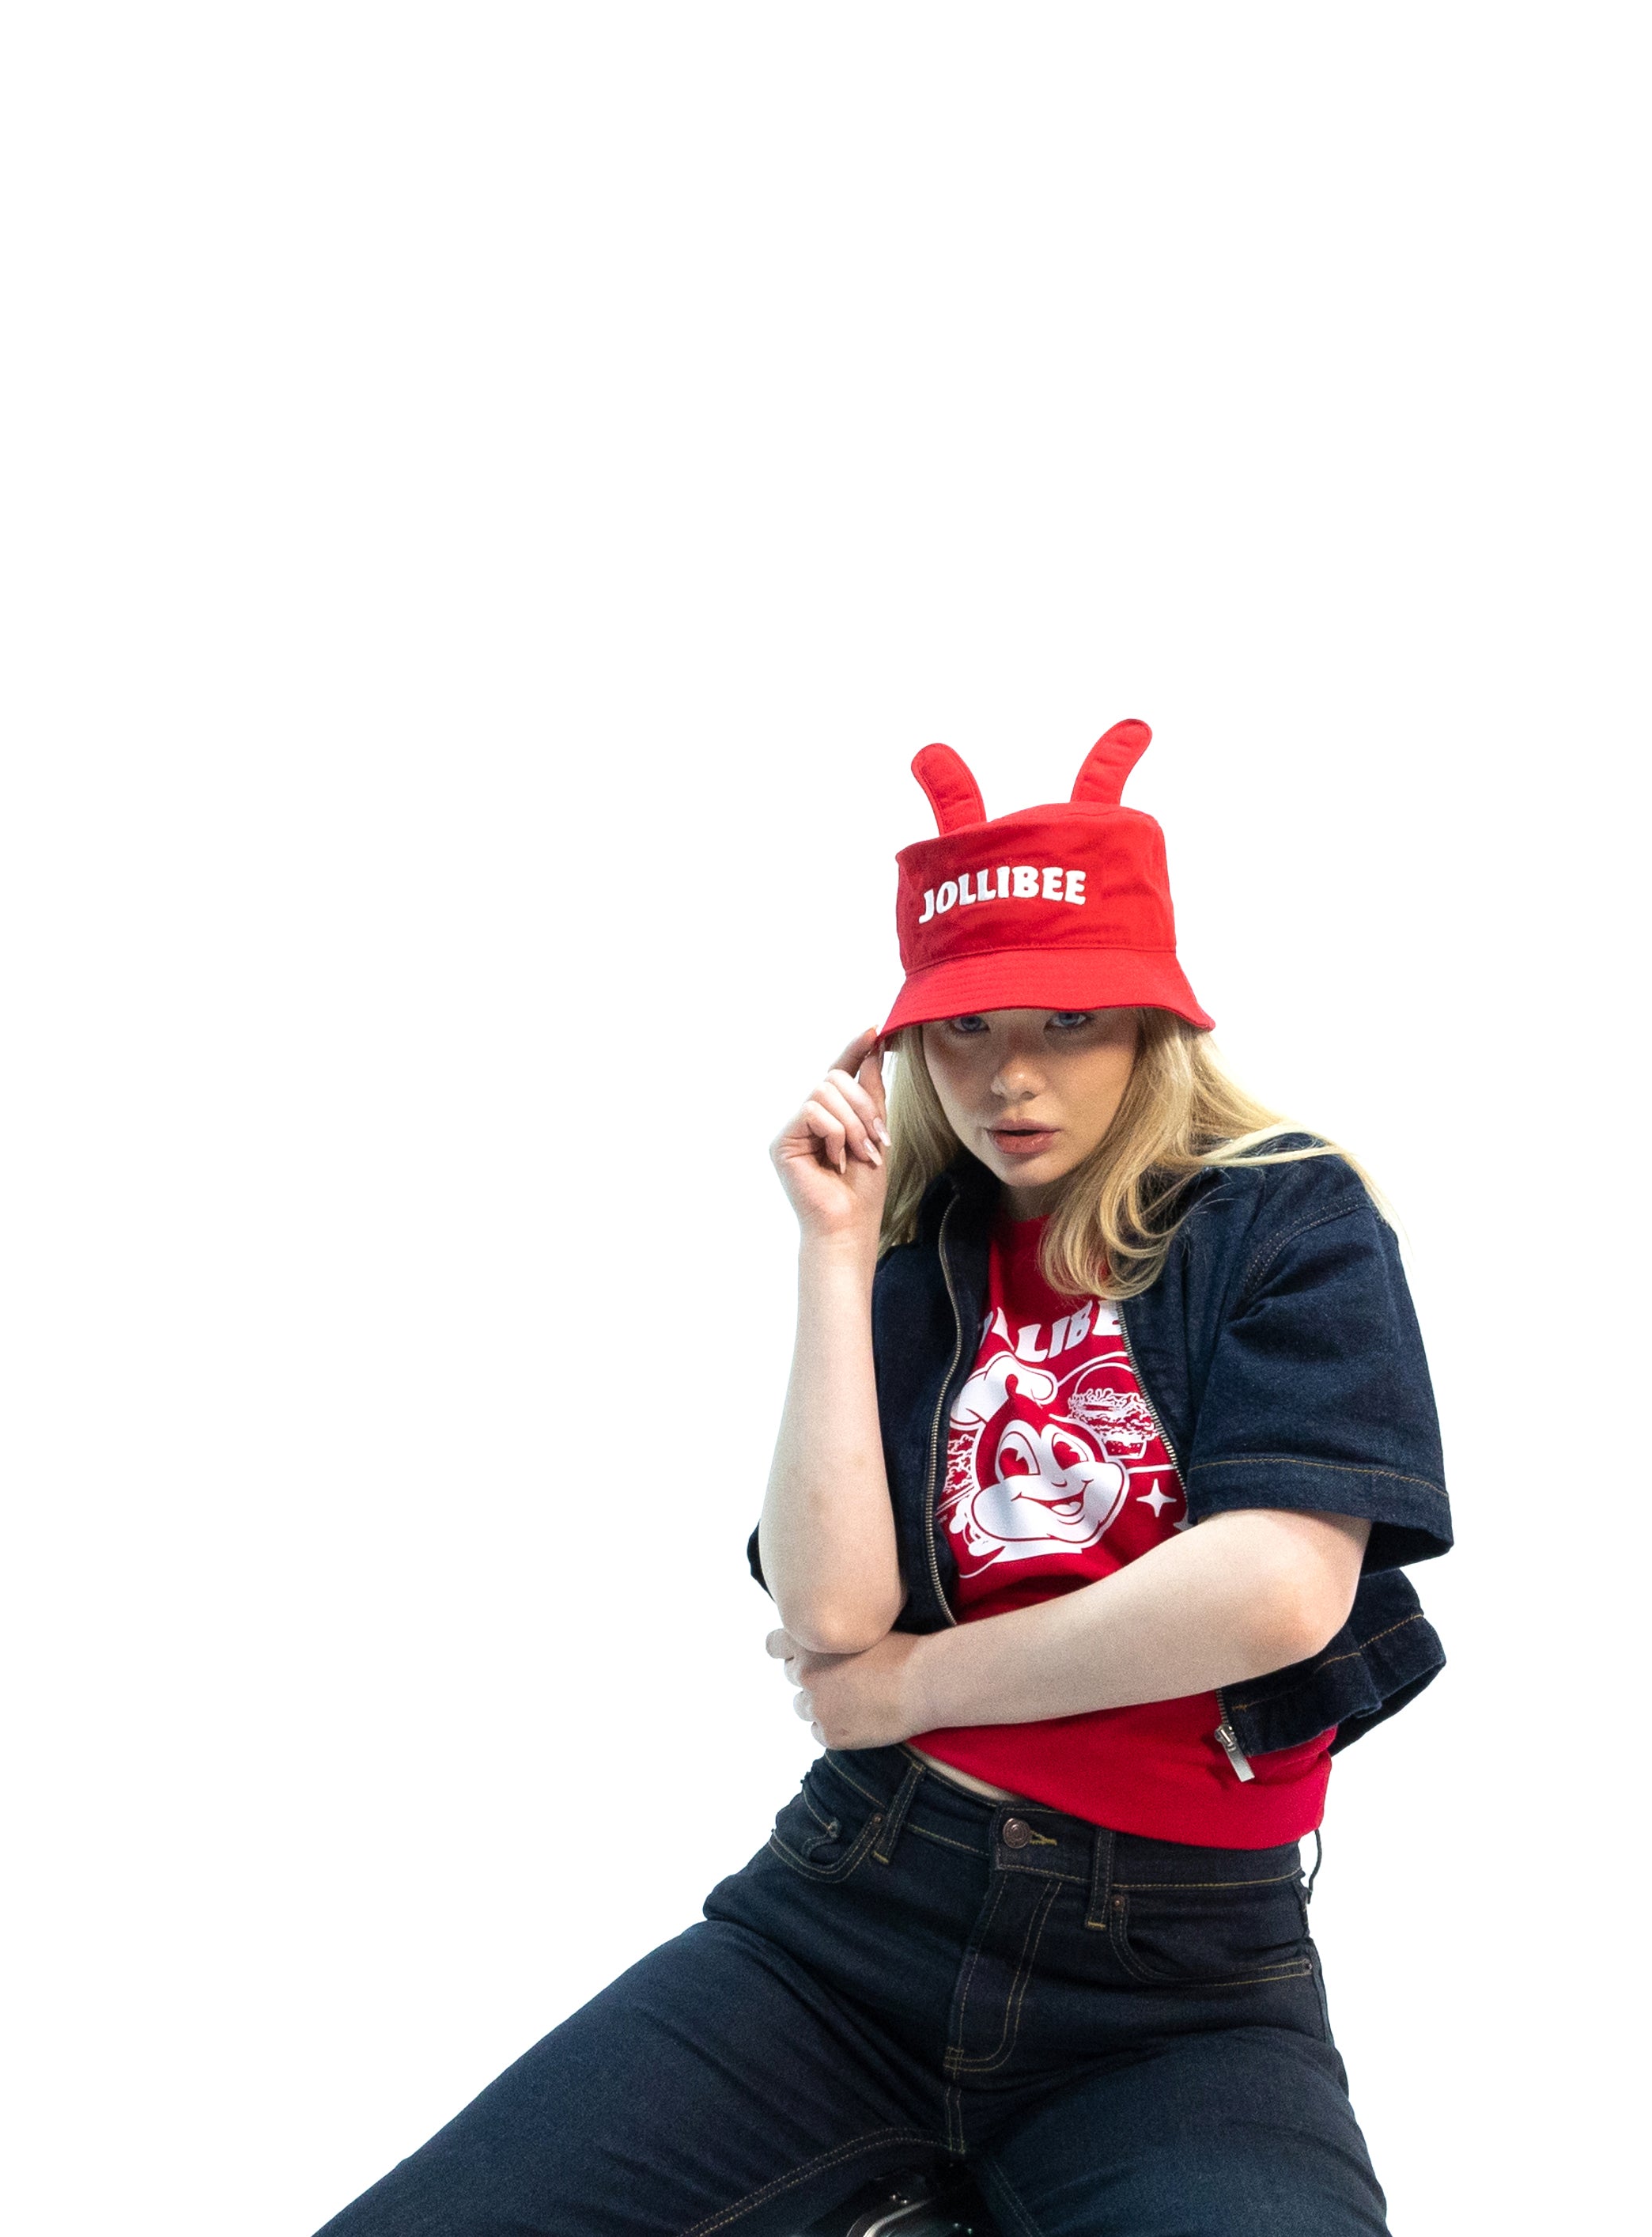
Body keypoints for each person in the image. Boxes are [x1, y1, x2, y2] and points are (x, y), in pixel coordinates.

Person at [313, 720, 1451, 2236]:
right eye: (965, 1031)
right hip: (852, 1917)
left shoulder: (1282, 1219)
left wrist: (910, 1691)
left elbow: (1268, 1595)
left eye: (1065, 1023)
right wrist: (836, 1253)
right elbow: (835, 1608)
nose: (1009, 1078)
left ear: (1152, 1030)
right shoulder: (919, 1253)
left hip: (1177, 1992)